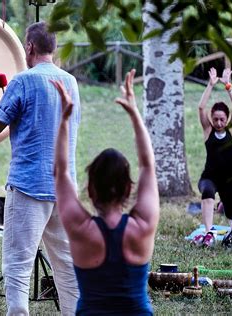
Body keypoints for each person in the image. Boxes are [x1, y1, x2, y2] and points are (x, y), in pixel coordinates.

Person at [0, 21, 80, 315]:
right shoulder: (71, 82)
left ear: (29, 47)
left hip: (28, 187)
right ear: (54, 47)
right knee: (67, 266)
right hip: (64, 189)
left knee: (18, 264)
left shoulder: (23, 81)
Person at [52, 69, 159, 315]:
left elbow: (60, 172)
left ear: (90, 190)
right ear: (128, 188)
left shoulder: (80, 229)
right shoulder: (142, 226)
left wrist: (65, 119)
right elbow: (147, 165)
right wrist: (134, 113)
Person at [192, 67, 232, 248]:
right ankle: (208, 232)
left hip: (229, 180)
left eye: (222, 119)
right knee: (207, 191)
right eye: (216, 119)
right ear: (211, 119)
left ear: (227, 119)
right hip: (209, 178)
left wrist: (228, 85)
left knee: (230, 211)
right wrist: (210, 85)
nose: (219, 123)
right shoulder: (208, 131)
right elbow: (201, 107)